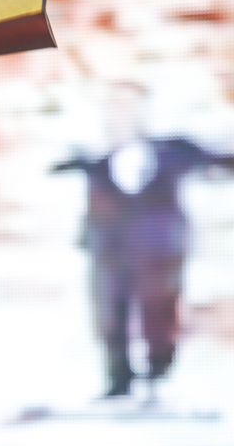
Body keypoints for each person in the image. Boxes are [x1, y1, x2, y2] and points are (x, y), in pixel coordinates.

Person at [51, 83, 234, 398]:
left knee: (159, 313)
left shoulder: (171, 150)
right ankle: (118, 381)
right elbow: (51, 169)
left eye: (126, 107)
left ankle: (157, 376)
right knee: (109, 315)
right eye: (112, 108)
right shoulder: (93, 156)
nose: (118, 115)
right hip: (108, 251)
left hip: (159, 250)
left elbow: (219, 161)